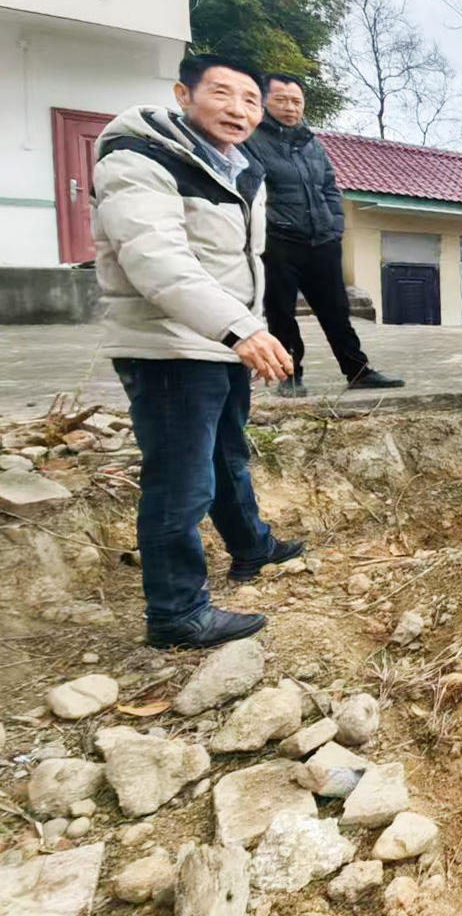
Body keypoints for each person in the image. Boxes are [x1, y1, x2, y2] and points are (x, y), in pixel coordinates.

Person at [91, 54, 308, 650]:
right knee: (180, 482)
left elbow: (238, 263)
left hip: (218, 341)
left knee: (227, 456)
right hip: (168, 346)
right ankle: (177, 613)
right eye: (222, 93)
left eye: (250, 100)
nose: (238, 110)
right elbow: (156, 260)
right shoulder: (140, 158)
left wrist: (244, 332)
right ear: (183, 94)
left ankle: (251, 547)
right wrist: (240, 330)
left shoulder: (238, 166)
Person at [245, 73, 403, 397]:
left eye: (296, 101)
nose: (290, 107)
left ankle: (357, 371)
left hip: (321, 240)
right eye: (281, 100)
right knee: (281, 312)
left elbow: (330, 187)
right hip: (279, 240)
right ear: (263, 102)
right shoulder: (251, 140)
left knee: (337, 311)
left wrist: (335, 227)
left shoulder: (311, 143)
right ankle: (290, 374)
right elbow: (251, 191)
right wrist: (270, 226)